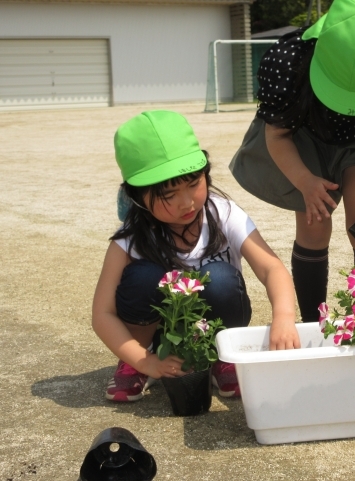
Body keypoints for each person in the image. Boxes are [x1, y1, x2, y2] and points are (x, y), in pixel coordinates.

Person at [229, 0, 355, 322]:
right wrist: (305, 182)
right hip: (304, 136)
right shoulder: (291, 59)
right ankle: (313, 321)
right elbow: (277, 134)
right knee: (314, 226)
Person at [92, 110, 300, 402]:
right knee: (142, 278)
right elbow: (102, 314)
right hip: (155, 338)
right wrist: (142, 359)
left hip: (214, 331)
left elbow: (270, 267)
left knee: (221, 279)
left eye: (194, 183)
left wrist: (284, 317)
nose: (186, 202)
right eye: (168, 194)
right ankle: (137, 364)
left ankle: (222, 357)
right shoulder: (130, 239)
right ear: (138, 197)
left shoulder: (223, 213)